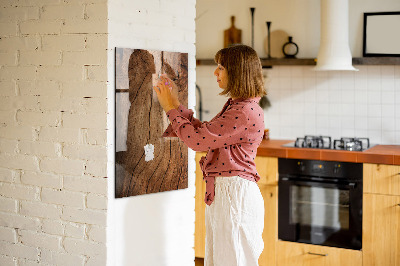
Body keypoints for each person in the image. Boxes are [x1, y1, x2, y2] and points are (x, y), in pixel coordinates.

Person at [153, 44, 267, 266]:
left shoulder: (243, 111)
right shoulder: (239, 106)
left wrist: (169, 108)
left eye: (221, 67)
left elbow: (197, 141)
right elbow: (205, 133)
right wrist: (175, 103)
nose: (215, 72)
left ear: (237, 72)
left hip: (234, 196)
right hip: (229, 193)